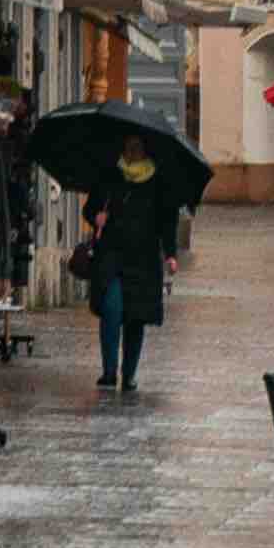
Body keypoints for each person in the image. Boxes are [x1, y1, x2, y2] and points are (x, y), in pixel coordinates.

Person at [79, 135, 182, 401]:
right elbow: (90, 208)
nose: (133, 149)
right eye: (129, 145)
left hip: (144, 259)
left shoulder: (159, 181)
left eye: (138, 145)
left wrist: (170, 254)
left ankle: (129, 374)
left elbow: (167, 221)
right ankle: (109, 371)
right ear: (124, 147)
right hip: (111, 255)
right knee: (111, 310)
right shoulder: (111, 175)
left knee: (136, 317)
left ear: (145, 149)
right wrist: (95, 217)